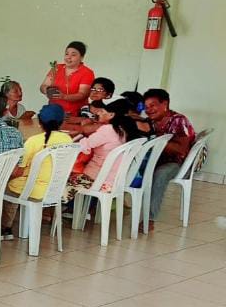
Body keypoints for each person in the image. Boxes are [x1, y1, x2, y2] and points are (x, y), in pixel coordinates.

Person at [0, 104, 73, 238]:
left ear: (39, 122)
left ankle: (4, 228)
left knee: (6, 185)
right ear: (62, 122)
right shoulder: (68, 139)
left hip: (33, 190)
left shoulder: (33, 141)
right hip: (55, 189)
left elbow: (18, 172)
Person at [144, 88, 195, 230]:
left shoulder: (179, 120)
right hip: (156, 160)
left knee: (160, 174)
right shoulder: (149, 122)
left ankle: (150, 218)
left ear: (165, 104)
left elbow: (181, 150)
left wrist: (157, 140)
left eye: (152, 105)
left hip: (178, 163)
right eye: (146, 107)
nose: (149, 110)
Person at [66, 100, 136, 200]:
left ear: (111, 115)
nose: (98, 113)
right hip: (114, 180)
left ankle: (55, 207)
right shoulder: (124, 129)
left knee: (61, 180)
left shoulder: (108, 129)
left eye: (102, 111)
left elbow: (85, 145)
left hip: (98, 180)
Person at [40, 41, 94, 118]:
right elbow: (43, 86)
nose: (69, 57)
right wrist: (47, 90)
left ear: (81, 57)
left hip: (76, 116)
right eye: (66, 54)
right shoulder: (56, 68)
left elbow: (82, 95)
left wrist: (64, 96)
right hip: (54, 113)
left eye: (73, 55)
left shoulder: (87, 72)